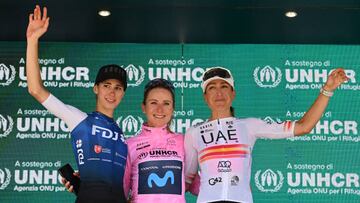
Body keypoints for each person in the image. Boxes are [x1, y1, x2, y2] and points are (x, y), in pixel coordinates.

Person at [184, 66, 348, 203]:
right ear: (205, 97)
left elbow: (303, 127)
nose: (218, 93)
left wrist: (327, 90)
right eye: (212, 88)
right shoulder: (194, 132)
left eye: (224, 86)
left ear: (233, 93)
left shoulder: (249, 125)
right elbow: (186, 179)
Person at [26, 5, 128, 203]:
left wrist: (79, 183)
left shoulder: (121, 133)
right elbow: (36, 90)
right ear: (95, 88)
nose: (112, 92)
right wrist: (32, 40)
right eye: (106, 85)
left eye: (118, 87)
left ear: (123, 94)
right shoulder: (80, 119)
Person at [123, 78, 198, 202]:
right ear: (143, 107)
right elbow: (122, 191)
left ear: (173, 109)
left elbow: (196, 185)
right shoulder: (129, 145)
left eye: (166, 103)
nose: (160, 109)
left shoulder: (184, 142)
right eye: (153, 103)